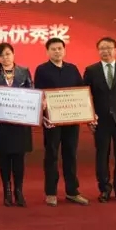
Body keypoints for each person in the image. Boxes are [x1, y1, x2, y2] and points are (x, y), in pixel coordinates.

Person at [34, 38, 89, 207]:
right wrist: (43, 113)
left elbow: (81, 92)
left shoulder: (72, 69)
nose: (57, 51)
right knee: (51, 155)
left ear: (64, 50)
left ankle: (72, 191)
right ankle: (51, 193)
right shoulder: (42, 70)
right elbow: (38, 93)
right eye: (53, 49)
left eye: (59, 48)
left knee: (70, 154)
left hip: (72, 120)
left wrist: (87, 111)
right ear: (47, 51)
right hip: (52, 121)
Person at [83, 37, 116, 204]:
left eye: (108, 48)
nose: (105, 51)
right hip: (100, 122)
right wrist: (89, 117)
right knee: (102, 157)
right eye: (101, 48)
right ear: (98, 51)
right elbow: (84, 96)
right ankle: (104, 190)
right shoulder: (91, 70)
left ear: (115, 50)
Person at [0, 42, 33, 207]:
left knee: (19, 158)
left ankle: (19, 191)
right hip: (1, 123)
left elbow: (31, 92)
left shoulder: (24, 71)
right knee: (4, 157)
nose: (5, 57)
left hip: (20, 122)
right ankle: (6, 191)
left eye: (8, 54)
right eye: (1, 55)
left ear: (13, 54)